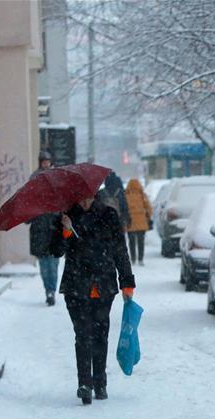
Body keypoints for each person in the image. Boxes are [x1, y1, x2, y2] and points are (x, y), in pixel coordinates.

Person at [54, 191, 135, 405]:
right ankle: (85, 384)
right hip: (75, 285)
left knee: (100, 334)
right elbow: (56, 251)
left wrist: (127, 281)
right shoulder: (66, 216)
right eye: (80, 198)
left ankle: (100, 382)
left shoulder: (109, 215)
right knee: (82, 334)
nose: (84, 202)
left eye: (88, 198)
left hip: (103, 284)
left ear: (95, 196)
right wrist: (65, 231)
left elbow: (120, 250)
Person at [29, 150, 61, 306]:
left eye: (48, 161)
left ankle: (52, 290)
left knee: (53, 263)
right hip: (40, 227)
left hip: (54, 227)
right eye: (43, 161)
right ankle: (47, 289)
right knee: (44, 264)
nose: (46, 164)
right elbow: (27, 200)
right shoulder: (34, 178)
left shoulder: (58, 177)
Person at [124, 178, 153, 265]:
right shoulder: (142, 195)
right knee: (141, 241)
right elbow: (149, 208)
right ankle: (140, 259)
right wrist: (148, 216)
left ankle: (133, 258)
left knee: (131, 241)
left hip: (130, 222)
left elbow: (123, 208)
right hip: (141, 221)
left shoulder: (126, 195)